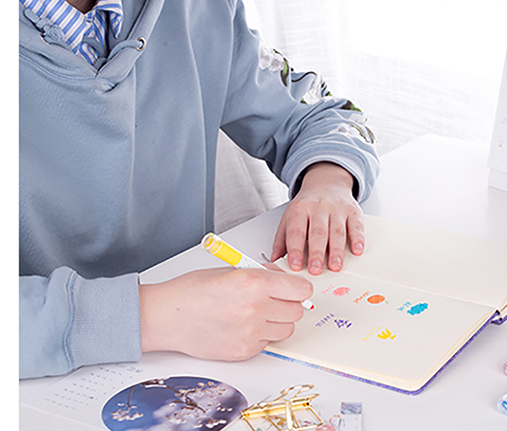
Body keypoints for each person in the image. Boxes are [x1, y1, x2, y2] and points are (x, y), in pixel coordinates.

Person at [19, 0, 380, 379]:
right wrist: (152, 316)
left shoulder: (199, 10)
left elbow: (324, 115)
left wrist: (327, 180)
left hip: (208, 360)